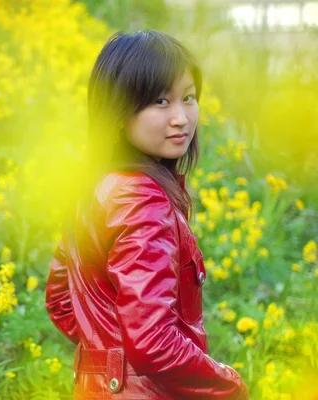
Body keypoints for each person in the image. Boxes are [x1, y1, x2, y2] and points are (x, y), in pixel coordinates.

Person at [45, 30, 249, 399]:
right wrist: (229, 384)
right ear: (119, 112)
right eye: (160, 100)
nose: (181, 118)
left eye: (188, 98)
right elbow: (154, 342)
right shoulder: (142, 198)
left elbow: (62, 301)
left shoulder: (93, 185)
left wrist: (110, 352)